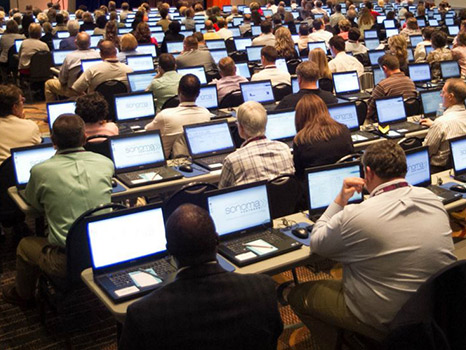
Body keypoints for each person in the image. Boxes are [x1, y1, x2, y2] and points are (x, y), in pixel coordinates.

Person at [288, 140, 457, 349]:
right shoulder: (432, 199)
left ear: (367, 173)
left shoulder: (356, 215)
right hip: (436, 309)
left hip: (389, 320)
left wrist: (340, 200)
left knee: (298, 295)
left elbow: (317, 242)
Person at [119, 203, 283, 350]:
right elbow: (273, 337)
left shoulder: (143, 314)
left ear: (169, 251)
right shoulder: (263, 289)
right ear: (217, 241)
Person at [1, 114, 114, 306]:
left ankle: (23, 296)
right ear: (84, 138)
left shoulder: (40, 170)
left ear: (53, 141)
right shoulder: (105, 163)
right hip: (107, 250)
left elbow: (33, 207)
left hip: (66, 261)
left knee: (24, 245)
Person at [218, 101, 294, 188]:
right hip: (284, 201)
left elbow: (221, 193)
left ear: (241, 128)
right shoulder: (284, 149)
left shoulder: (233, 160)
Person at [420, 79, 466, 171]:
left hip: (439, 169)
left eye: (443, 92)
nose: (441, 95)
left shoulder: (441, 123)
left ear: (450, 96)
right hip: (465, 164)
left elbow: (427, 151)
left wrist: (436, 125)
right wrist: (434, 125)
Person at [145, 74, 212, 156]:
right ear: (198, 94)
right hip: (195, 160)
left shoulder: (165, 115)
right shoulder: (205, 113)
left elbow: (147, 131)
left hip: (168, 163)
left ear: (178, 91)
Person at [293, 94, 353, 178]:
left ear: (300, 116)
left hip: (316, 185)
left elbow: (299, 174)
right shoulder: (344, 129)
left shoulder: (300, 140)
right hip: (345, 179)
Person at [44, 32, 100, 101]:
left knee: (48, 84)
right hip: (93, 89)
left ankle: (53, 108)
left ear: (75, 42)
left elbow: (62, 80)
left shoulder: (70, 57)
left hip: (73, 91)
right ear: (90, 43)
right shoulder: (98, 55)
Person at [366, 54, 417, 122]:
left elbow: (369, 112)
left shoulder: (382, 85)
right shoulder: (410, 81)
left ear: (384, 68)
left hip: (386, 122)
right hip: (407, 120)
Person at [0, 85, 40, 163]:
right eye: (22, 100)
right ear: (15, 107)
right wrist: (22, 121)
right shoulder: (30, 126)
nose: (23, 103)